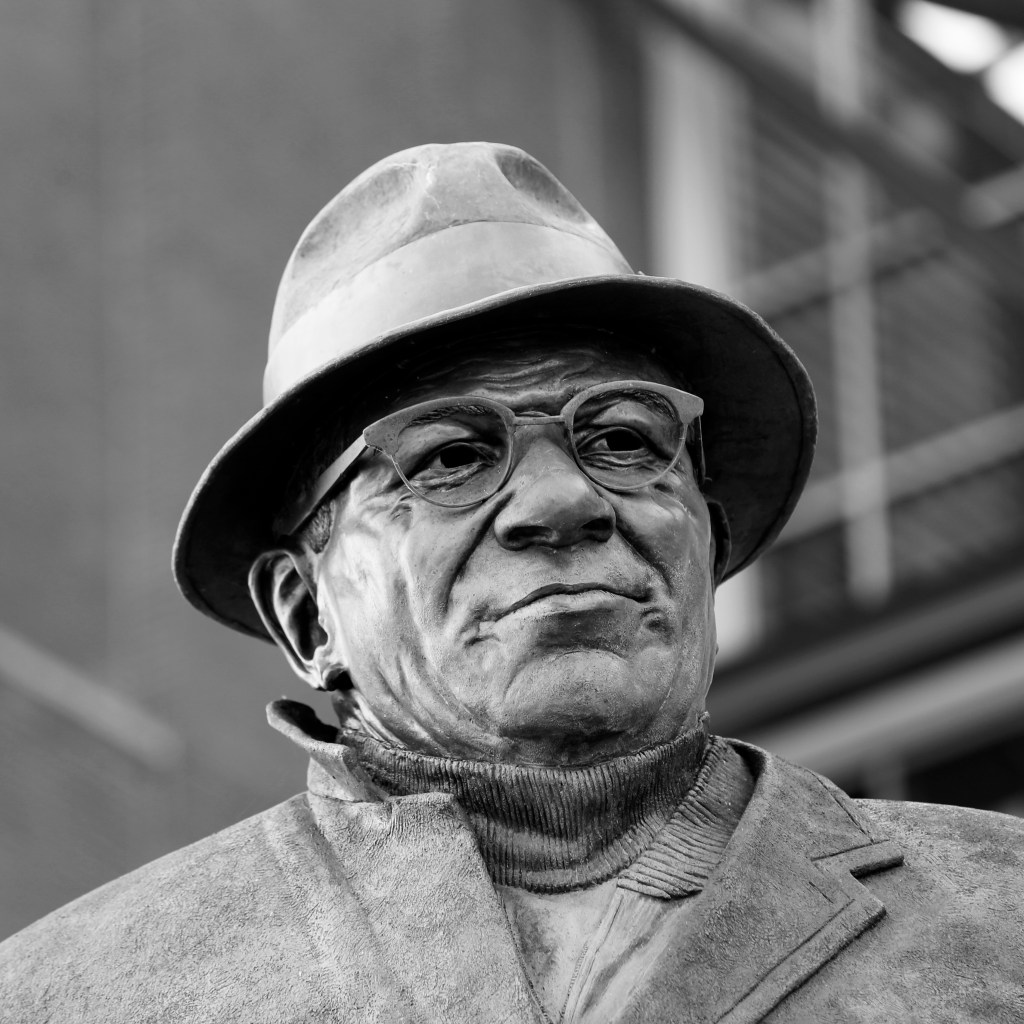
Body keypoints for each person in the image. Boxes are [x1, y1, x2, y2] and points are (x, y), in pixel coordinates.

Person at [1, 141, 1021, 1022]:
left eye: (624, 438)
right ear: (309, 612)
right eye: (446, 457)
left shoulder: (1002, 915)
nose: (561, 503)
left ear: (703, 539)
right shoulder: (70, 994)